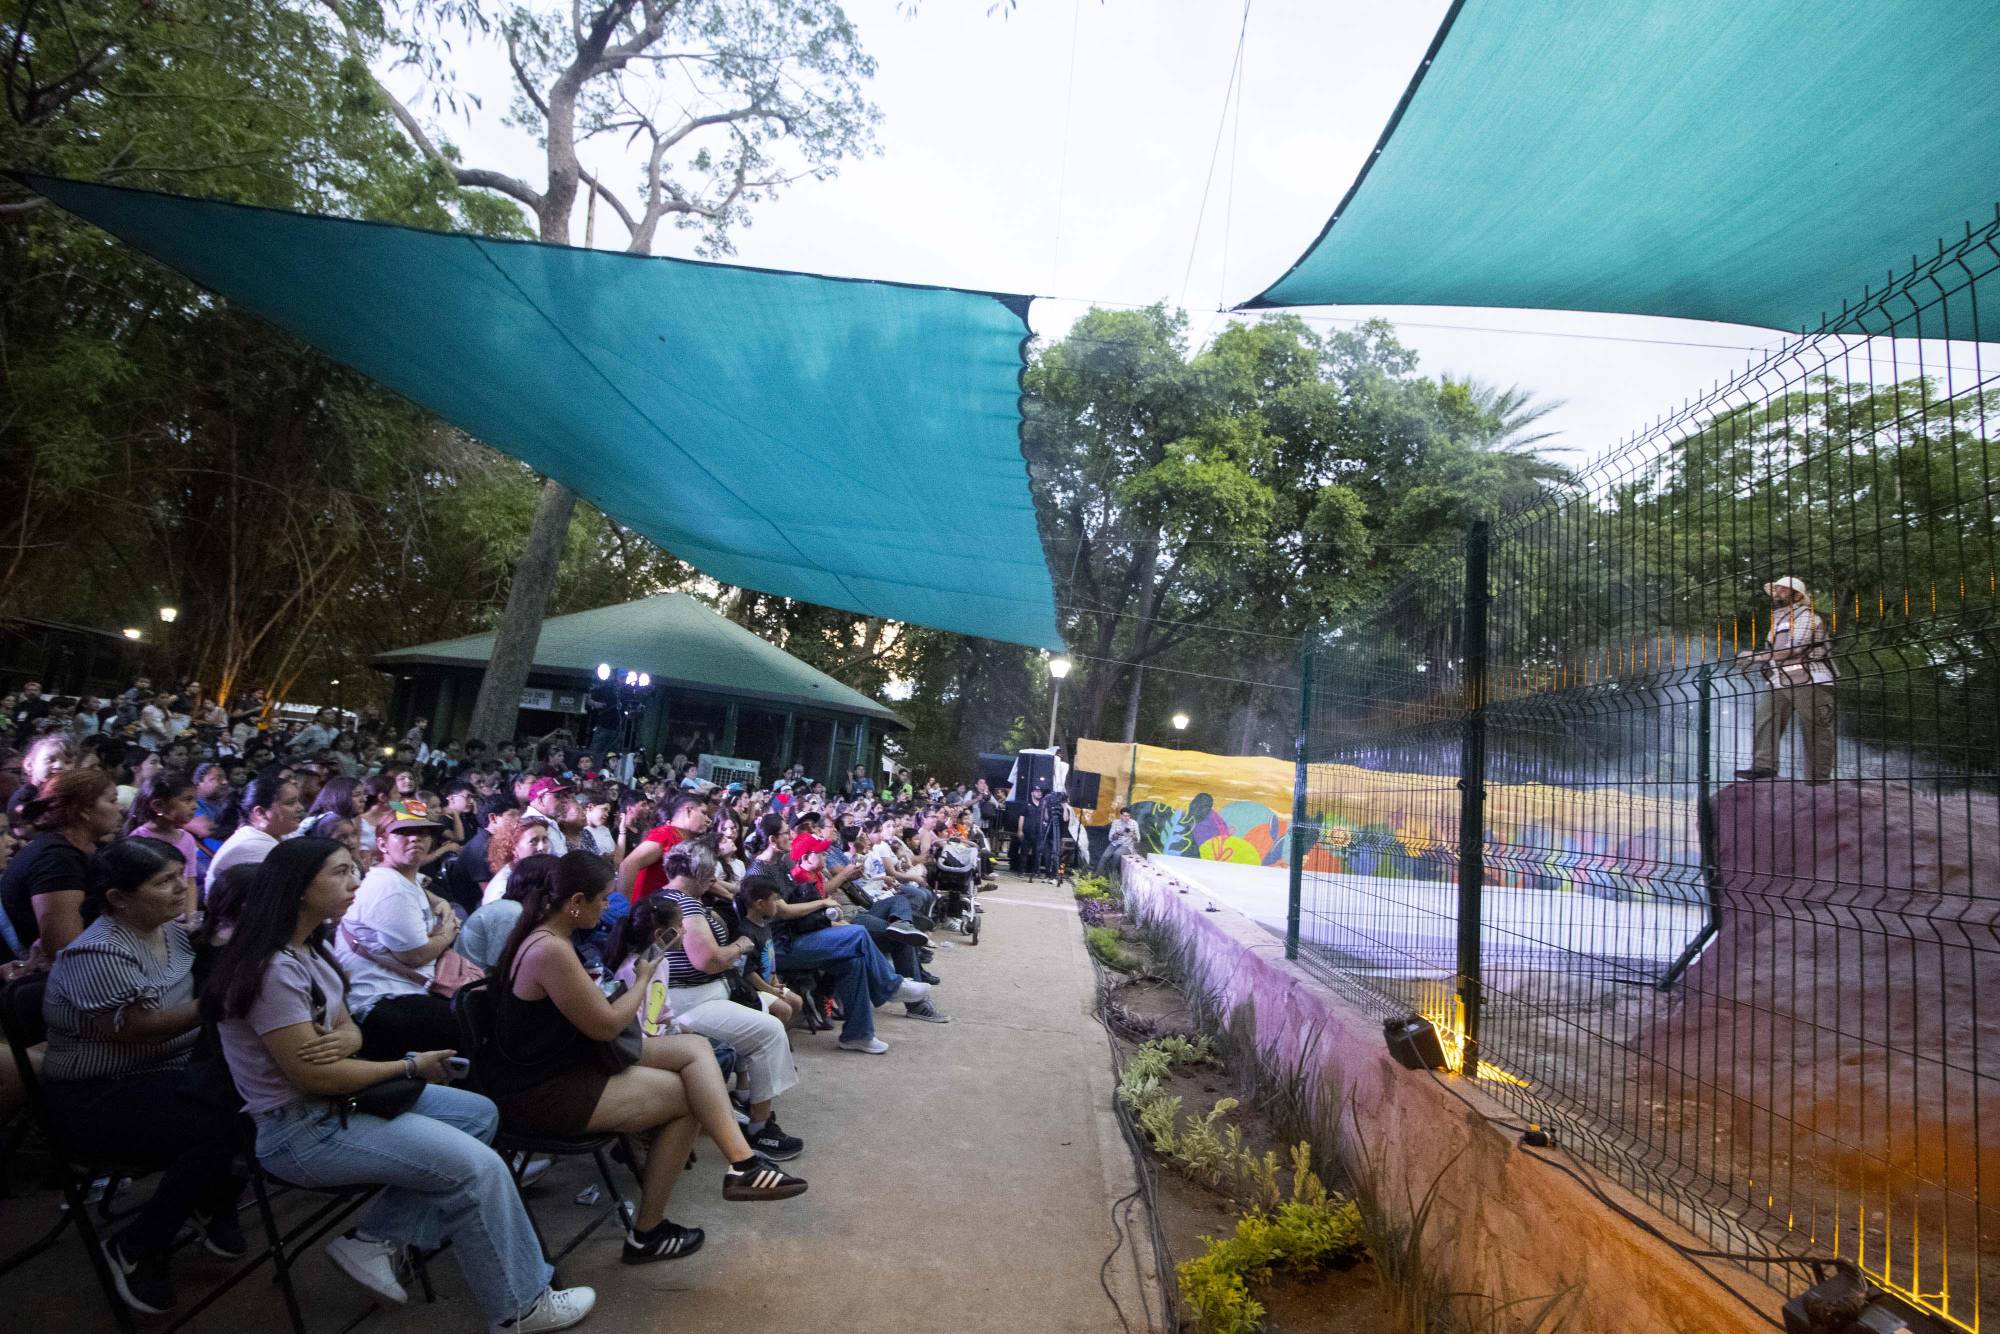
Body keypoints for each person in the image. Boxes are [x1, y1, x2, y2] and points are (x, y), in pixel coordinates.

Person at [203, 837, 595, 1332]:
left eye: (354, 870)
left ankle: (376, 1239)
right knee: (480, 1169)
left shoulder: (309, 950)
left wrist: (344, 1041)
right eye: (341, 873)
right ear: (300, 889)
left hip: (338, 1103)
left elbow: (350, 1031)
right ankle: (522, 1306)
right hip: (300, 1129)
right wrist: (407, 1067)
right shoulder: (272, 969)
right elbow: (313, 1074)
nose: (356, 882)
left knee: (478, 1114)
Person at [481, 851, 806, 1266]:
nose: (607, 910)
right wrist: (643, 978)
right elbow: (608, 1025)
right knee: (690, 1097)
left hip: (567, 1064)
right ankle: (650, 1231)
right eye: (602, 900)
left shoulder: (549, 938)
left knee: (697, 1050)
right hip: (544, 1090)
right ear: (576, 900)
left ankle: (741, 1164)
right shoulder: (550, 949)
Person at [40, 838, 247, 1315]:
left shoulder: (170, 933)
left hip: (165, 1077)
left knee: (256, 1093)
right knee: (223, 1120)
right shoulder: (97, 953)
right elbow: (137, 1032)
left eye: (180, 876)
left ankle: (211, 1201)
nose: (182, 889)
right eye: (164, 881)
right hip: (96, 1097)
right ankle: (136, 1245)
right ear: (117, 897)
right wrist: (217, 1001)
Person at [653, 847, 803, 1160]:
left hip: (703, 994)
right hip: (690, 1001)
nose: (714, 879)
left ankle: (747, 1096)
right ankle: (760, 1130)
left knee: (767, 1012)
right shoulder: (683, 905)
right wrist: (740, 946)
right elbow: (708, 959)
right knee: (770, 1030)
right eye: (709, 874)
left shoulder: (672, 898)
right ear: (697, 873)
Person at [334, 800, 461, 1058]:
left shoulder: (401, 878)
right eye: (403, 832)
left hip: (405, 991)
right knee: (472, 1025)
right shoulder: (389, 888)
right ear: (382, 844)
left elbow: (420, 892)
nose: (416, 838)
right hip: (382, 1003)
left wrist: (443, 903)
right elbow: (415, 955)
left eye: (423, 833)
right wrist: (449, 932)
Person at [2, 769, 124, 960]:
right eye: (112, 801)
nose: (121, 808)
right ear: (83, 809)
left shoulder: (86, 847)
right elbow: (64, 946)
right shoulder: (56, 859)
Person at [1736, 575, 1837, 784]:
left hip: (1810, 680)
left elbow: (1791, 649)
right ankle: (1764, 767)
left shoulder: (1806, 617)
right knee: (1764, 720)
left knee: (1815, 728)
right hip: (1781, 680)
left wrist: (1754, 657)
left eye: (1782, 590)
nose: (1776, 594)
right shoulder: (1781, 619)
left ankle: (1818, 780)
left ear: (1797, 595)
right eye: (1776, 590)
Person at [457, 854, 558, 972]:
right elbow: (500, 968)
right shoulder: (512, 913)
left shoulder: (520, 910)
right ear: (542, 886)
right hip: (476, 983)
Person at [206, 773, 304, 886]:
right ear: (260, 813)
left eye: (298, 801)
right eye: (290, 803)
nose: (300, 808)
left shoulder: (284, 832)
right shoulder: (251, 846)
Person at [124, 768, 202, 902]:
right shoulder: (138, 840)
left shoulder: (187, 839)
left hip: (180, 917)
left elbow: (190, 881)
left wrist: (191, 919)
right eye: (187, 800)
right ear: (158, 806)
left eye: (195, 799)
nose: (195, 806)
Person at [615, 792, 710, 900]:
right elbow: (627, 865)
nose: (708, 820)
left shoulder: (681, 840)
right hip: (648, 911)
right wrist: (623, 909)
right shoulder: (666, 834)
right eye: (704, 813)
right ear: (688, 811)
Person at [482, 810, 553, 907]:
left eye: (544, 840)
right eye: (533, 841)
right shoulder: (500, 892)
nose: (542, 847)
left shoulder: (540, 873)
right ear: (512, 847)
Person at [1099, 805, 1141, 878]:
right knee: (1104, 857)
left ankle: (1112, 877)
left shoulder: (1134, 823)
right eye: (1125, 816)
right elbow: (1110, 838)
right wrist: (1118, 833)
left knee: (1116, 854)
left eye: (1128, 816)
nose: (1127, 818)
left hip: (1127, 845)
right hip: (1115, 844)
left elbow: (1138, 839)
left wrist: (1132, 835)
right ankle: (1096, 876)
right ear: (1121, 815)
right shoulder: (1116, 822)